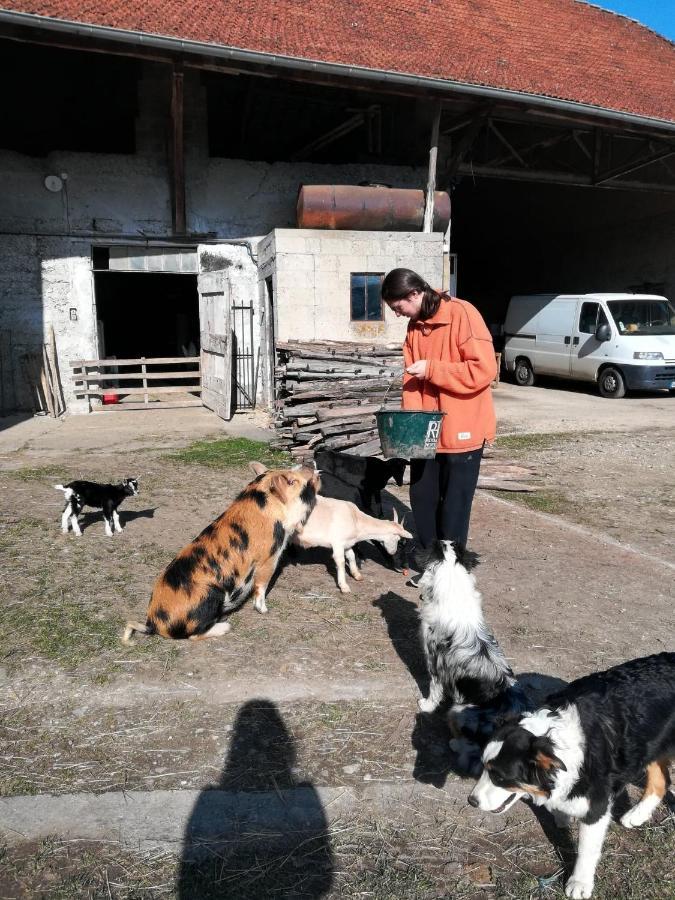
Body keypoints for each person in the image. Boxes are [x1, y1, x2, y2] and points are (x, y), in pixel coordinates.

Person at [381, 268, 497, 584]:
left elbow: (484, 370)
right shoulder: (414, 328)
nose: (397, 313)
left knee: (455, 505)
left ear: (414, 294)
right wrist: (409, 427)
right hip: (425, 431)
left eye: (398, 307)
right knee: (423, 497)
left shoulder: (463, 314)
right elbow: (409, 382)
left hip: (463, 427)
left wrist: (433, 369)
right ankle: (432, 566)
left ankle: (451, 571)